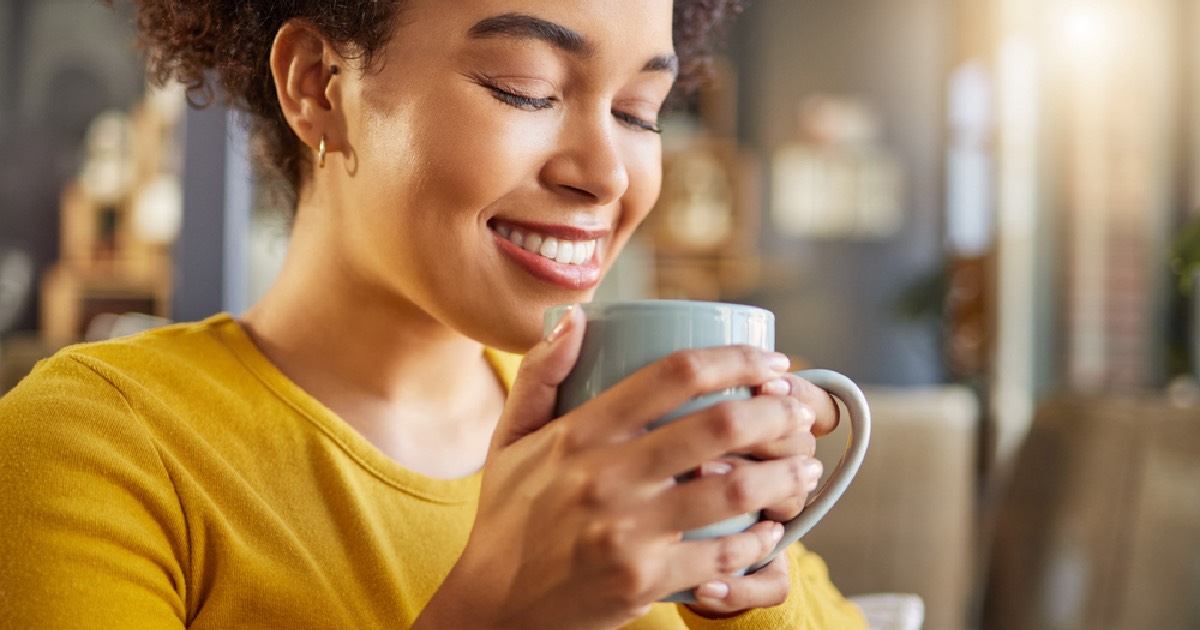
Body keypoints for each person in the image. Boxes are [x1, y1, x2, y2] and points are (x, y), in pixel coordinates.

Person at [0, 1, 867, 628]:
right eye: (525, 89)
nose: (608, 173)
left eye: (640, 112)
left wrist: (740, 566)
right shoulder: (95, 449)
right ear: (319, 87)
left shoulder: (630, 445)